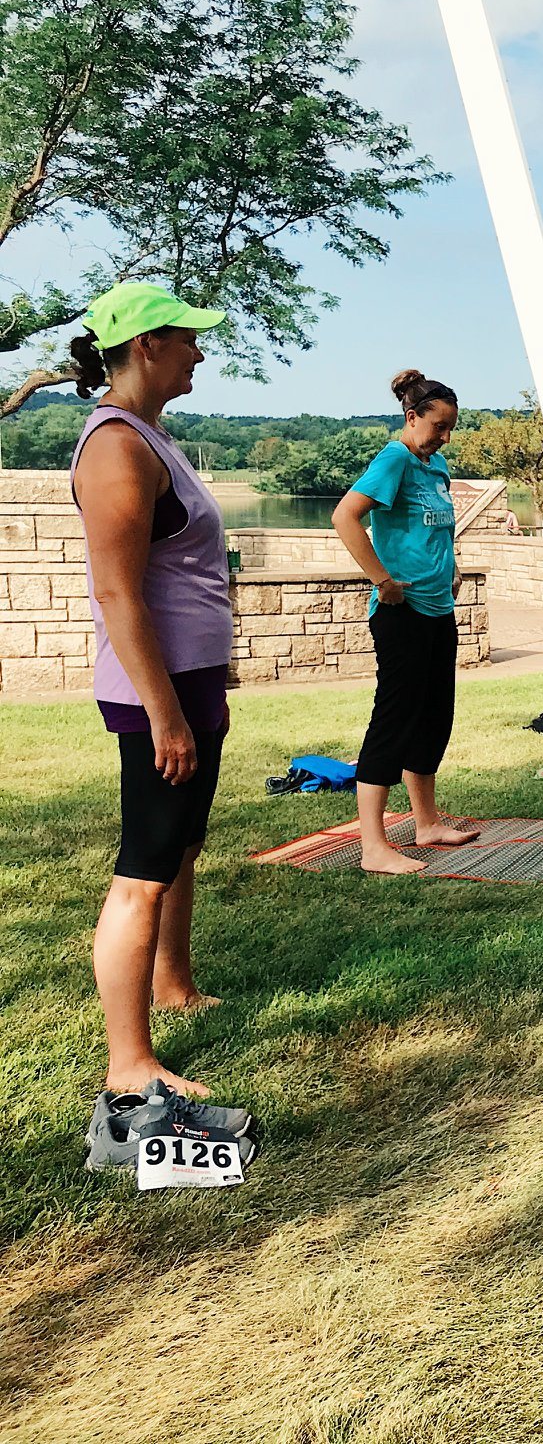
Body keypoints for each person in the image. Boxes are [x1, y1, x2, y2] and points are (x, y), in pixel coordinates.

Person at [68, 284, 232, 1096]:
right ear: (145, 347)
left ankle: (175, 984)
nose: (199, 351)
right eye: (186, 338)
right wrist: (166, 715)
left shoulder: (151, 436)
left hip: (190, 684)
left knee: (181, 847)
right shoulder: (115, 448)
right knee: (143, 869)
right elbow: (117, 593)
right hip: (155, 696)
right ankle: (129, 1064)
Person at [333, 370, 480, 876]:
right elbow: (345, 517)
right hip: (402, 614)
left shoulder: (435, 466)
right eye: (438, 426)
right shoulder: (394, 459)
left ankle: (427, 824)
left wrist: (452, 569)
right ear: (412, 416)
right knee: (394, 721)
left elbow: (435, 530)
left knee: (435, 716)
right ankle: (373, 846)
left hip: (439, 610)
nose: (445, 437)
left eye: (451, 428)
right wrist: (382, 580)